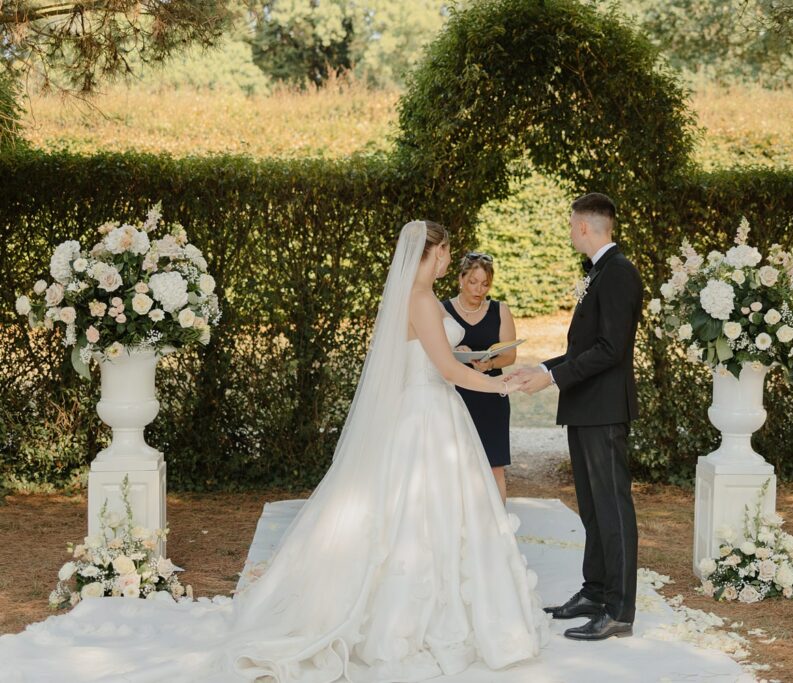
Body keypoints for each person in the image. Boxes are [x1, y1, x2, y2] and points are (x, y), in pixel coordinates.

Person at [0, 221, 549, 682]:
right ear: (435, 254)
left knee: (405, 517)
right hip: (431, 417)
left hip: (422, 414)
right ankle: (422, 618)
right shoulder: (424, 301)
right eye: (447, 252)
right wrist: (505, 385)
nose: (449, 261)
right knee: (428, 519)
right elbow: (448, 369)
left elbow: (435, 366)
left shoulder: (411, 299)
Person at [512, 193, 643, 642]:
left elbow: (611, 350)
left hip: (605, 410)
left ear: (586, 227)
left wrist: (553, 379)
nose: (570, 232)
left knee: (613, 509)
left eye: (572, 225)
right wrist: (544, 369)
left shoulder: (619, 273)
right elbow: (584, 349)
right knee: (591, 509)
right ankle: (594, 591)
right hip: (587, 408)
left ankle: (620, 609)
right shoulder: (600, 272)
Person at [445, 252, 517, 503]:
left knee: (494, 464)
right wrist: (455, 354)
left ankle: (498, 528)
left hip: (491, 396)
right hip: (454, 395)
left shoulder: (500, 310)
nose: (479, 289)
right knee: (455, 463)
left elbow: (510, 356)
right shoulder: (442, 310)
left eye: (485, 283)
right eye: (473, 281)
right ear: (460, 279)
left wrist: (490, 365)